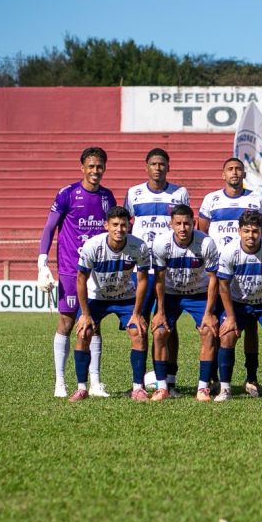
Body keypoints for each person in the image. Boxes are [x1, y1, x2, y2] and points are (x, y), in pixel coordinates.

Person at [37, 146, 116, 399]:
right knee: (67, 322)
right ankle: (60, 382)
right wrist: (42, 262)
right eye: (91, 166)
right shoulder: (67, 194)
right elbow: (49, 228)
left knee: (94, 324)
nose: (95, 171)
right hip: (72, 271)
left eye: (99, 166)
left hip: (98, 272)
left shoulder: (108, 197)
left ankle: (95, 383)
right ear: (82, 167)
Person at [199, 157, 262, 397]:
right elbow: (203, 231)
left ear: (244, 174)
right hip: (220, 271)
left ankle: (252, 377)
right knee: (221, 325)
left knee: (251, 329)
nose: (235, 173)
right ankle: (217, 378)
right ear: (223, 174)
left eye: (239, 169)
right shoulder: (211, 199)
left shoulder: (255, 199)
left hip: (247, 267)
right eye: (230, 169)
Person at [69, 206, 152, 402]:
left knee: (138, 332)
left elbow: (142, 281)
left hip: (125, 298)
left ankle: (138, 388)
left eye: (123, 225)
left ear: (129, 226)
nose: (119, 229)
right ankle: (82, 388)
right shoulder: (92, 246)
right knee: (84, 332)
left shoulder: (139, 247)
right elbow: (80, 279)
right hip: (97, 298)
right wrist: (85, 314)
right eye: (114, 225)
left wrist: (137, 313)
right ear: (106, 225)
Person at [125, 148, 190, 395]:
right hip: (141, 271)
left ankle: (168, 381)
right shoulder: (134, 193)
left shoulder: (180, 193)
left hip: (169, 270)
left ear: (168, 167)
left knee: (167, 325)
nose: (158, 168)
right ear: (146, 167)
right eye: (153, 163)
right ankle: (140, 383)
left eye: (162, 164)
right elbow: (127, 228)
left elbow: (184, 224)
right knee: (140, 324)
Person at [215, 210, 262, 402]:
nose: (251, 235)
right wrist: (231, 317)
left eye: (255, 231)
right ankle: (225, 389)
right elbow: (223, 286)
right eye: (247, 231)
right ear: (239, 231)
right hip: (238, 304)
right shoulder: (229, 251)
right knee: (226, 336)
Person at [149, 205, 220, 402]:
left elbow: (214, 279)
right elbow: (160, 280)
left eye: (186, 223)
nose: (182, 228)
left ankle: (203, 387)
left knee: (208, 330)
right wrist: (160, 311)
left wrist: (209, 312)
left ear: (193, 223)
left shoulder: (206, 243)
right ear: (171, 224)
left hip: (199, 294)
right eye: (178, 223)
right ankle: (162, 387)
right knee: (160, 331)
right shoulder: (161, 243)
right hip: (171, 294)